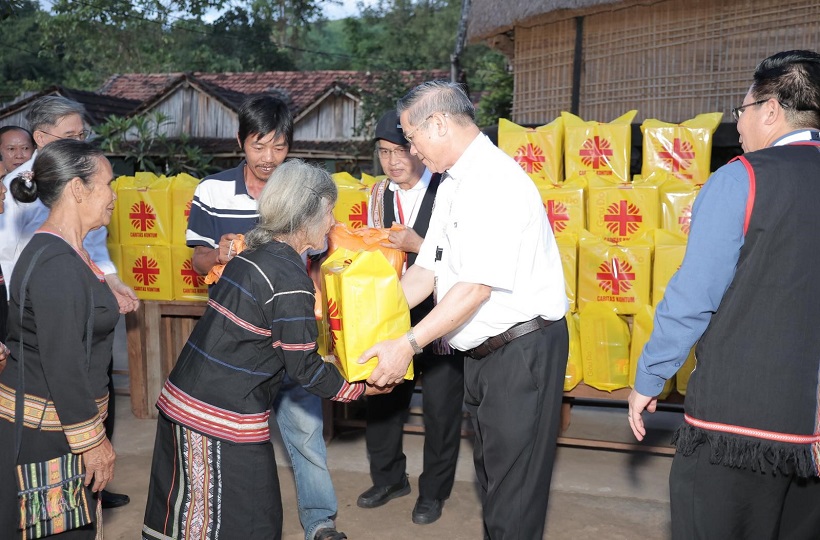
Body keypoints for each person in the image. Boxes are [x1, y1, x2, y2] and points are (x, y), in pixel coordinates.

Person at [358, 81, 569, 539]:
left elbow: (474, 288)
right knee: (495, 482)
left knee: (513, 497)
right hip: (484, 353)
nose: (411, 150)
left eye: (412, 138)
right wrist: (368, 318)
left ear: (438, 124)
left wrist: (407, 344)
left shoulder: (494, 181)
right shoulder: (453, 182)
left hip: (522, 351)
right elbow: (427, 271)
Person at [628, 50, 820, 540]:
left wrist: (650, 376)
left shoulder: (742, 177)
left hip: (738, 422)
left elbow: (693, 296)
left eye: (743, 110)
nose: (739, 124)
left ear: (771, 110)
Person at [144, 159, 383, 539]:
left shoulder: (252, 256)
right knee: (252, 519)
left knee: (196, 519)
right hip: (218, 415)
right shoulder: (290, 278)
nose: (333, 222)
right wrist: (361, 388)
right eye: (328, 211)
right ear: (305, 216)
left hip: (187, 400)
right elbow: (304, 368)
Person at [185, 94, 346, 540]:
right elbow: (197, 259)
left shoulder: (302, 191)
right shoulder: (212, 191)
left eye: (278, 146)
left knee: (306, 431)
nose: (268, 157)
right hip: (240, 342)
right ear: (240, 142)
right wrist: (219, 254)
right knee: (238, 441)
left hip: (292, 327)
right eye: (258, 145)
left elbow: (319, 259)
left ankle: (320, 521)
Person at [0, 96, 137, 510]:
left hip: (58, 421)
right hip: (47, 429)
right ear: (78, 189)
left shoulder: (70, 249)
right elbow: (63, 363)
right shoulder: (56, 262)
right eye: (108, 184)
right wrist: (94, 442)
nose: (114, 195)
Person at [356, 109, 465, 525]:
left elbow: (467, 257)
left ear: (418, 148)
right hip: (392, 314)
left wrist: (417, 244)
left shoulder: (447, 189)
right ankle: (388, 478)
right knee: (383, 397)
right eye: (384, 152)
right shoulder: (377, 194)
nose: (393, 161)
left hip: (442, 317)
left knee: (441, 407)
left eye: (401, 150)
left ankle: (433, 492)